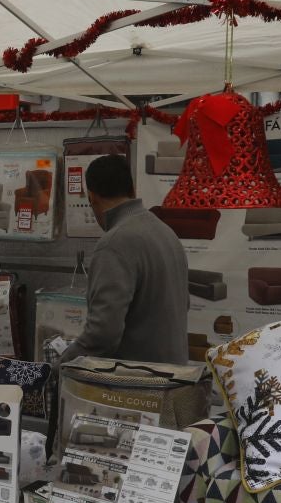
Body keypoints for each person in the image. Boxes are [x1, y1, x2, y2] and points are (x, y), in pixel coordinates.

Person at [61, 154, 189, 365]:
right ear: (132, 190)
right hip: (173, 378)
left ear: (92, 197)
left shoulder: (114, 244)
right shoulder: (166, 232)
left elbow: (102, 335)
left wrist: (57, 368)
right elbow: (182, 305)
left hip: (135, 386)